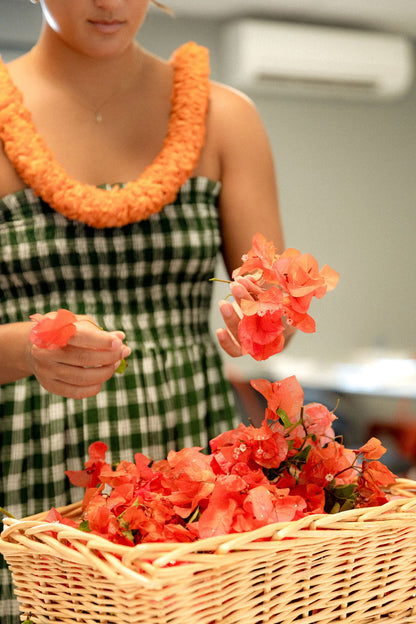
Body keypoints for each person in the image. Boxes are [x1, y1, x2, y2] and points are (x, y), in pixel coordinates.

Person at [0, 1, 288, 620]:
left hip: (193, 455)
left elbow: (272, 302)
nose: (109, 3)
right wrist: (25, 348)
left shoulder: (225, 118)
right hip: (27, 461)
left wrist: (263, 320)